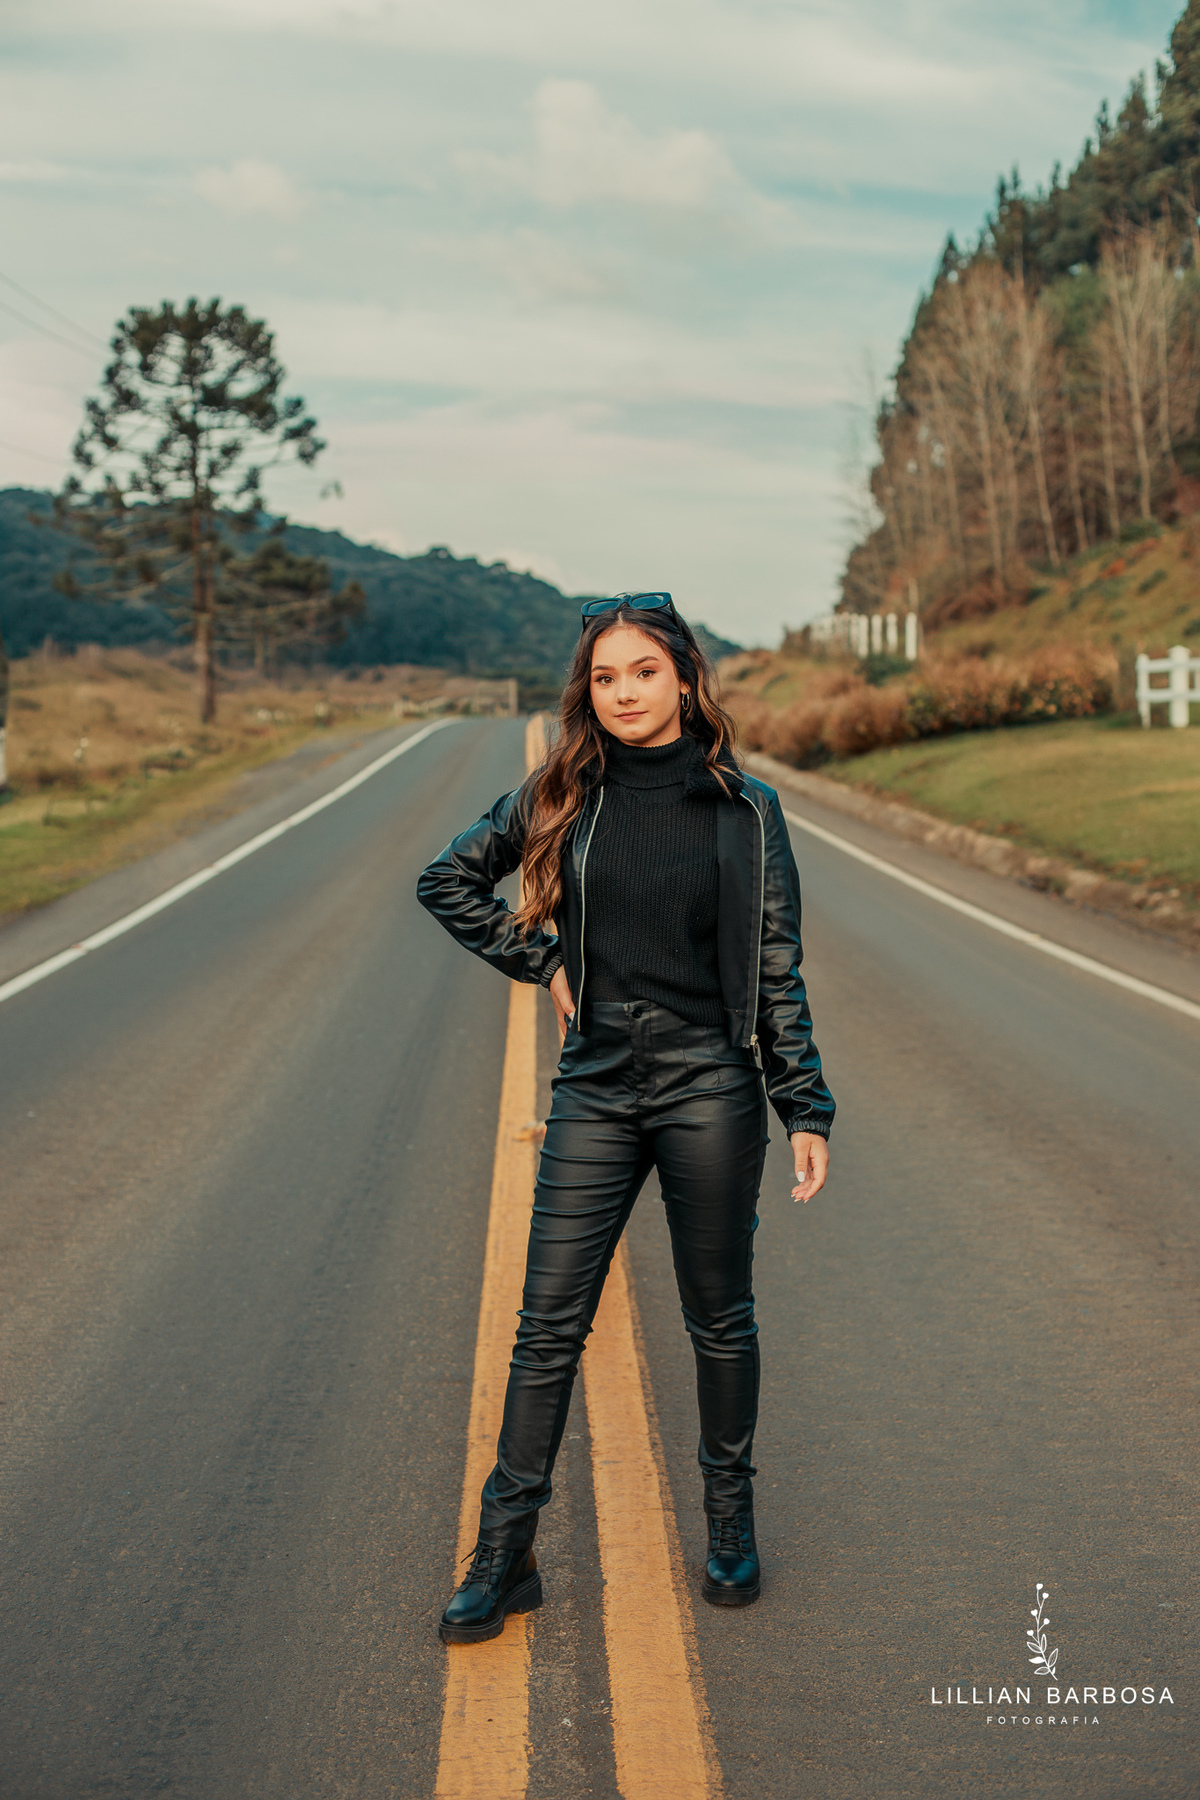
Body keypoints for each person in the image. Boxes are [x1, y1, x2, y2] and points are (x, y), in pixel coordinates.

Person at [417, 592, 834, 1644]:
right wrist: (542, 956)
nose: (622, 694)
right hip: (597, 1087)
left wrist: (803, 1104)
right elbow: (448, 880)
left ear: (684, 680)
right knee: (547, 1324)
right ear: (587, 692)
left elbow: (776, 964)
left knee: (719, 1318)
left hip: (710, 1090)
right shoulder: (562, 792)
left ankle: (729, 1524)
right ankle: (503, 1554)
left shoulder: (746, 811)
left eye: (641, 672)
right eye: (604, 678)